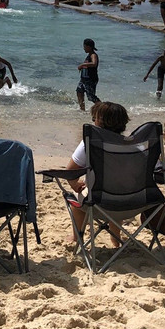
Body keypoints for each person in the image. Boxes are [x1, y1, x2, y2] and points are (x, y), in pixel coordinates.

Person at [62, 101, 130, 244]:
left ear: (99, 122)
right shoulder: (131, 144)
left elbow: (70, 170)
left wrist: (75, 184)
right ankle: (115, 238)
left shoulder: (90, 143)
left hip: (98, 202)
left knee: (77, 201)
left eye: (94, 118)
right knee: (117, 189)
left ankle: (76, 237)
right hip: (129, 201)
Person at [76, 38, 100, 111]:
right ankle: (82, 110)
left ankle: (103, 108)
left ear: (89, 47)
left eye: (84, 46)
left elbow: (94, 63)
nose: (84, 48)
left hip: (90, 79)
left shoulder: (93, 55)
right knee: (79, 91)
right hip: (84, 79)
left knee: (91, 97)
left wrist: (83, 65)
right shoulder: (89, 55)